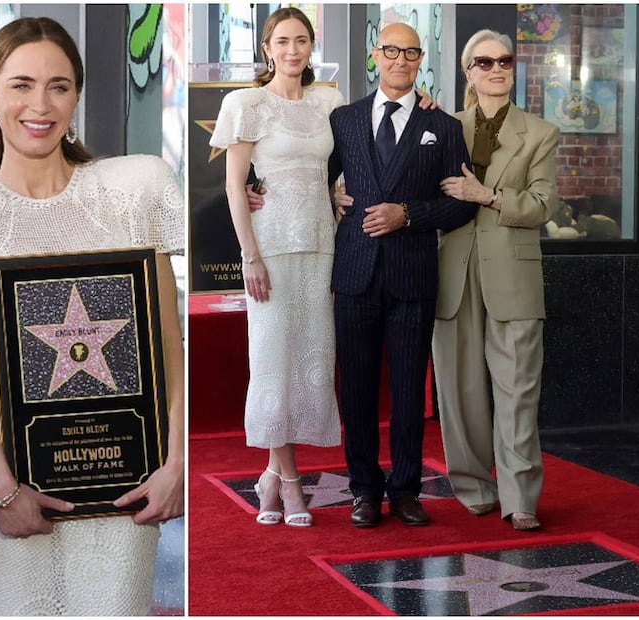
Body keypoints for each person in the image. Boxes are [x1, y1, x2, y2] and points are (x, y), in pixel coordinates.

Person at [0, 17, 184, 616]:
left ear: (76, 95)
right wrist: (3, 489)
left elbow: (168, 349)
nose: (41, 104)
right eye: (21, 85)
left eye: (59, 86)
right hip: (5, 491)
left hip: (123, 491)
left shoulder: (133, 193)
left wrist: (177, 464)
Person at [328, 23, 476, 528]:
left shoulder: (444, 126)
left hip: (413, 275)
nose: (400, 60)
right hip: (355, 273)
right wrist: (328, 197)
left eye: (410, 52)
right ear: (375, 55)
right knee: (357, 390)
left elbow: (462, 205)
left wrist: (408, 214)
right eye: (391, 50)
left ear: (420, 59)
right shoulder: (344, 119)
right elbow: (315, 178)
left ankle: (407, 490)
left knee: (410, 389)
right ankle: (364, 490)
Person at [210, 7, 343, 528]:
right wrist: (250, 257)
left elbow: (345, 161)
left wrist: (338, 194)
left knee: (311, 361)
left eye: (301, 40)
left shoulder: (328, 101)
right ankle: (289, 482)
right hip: (270, 249)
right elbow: (233, 185)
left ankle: (270, 475)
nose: (292, 50)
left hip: (321, 244)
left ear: (311, 47)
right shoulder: (245, 104)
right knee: (272, 362)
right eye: (282, 41)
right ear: (267, 48)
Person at [433, 29, 559, 531]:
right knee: (459, 387)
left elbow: (544, 205)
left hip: (513, 274)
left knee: (519, 389)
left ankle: (520, 496)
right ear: (469, 73)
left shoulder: (541, 133)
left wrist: (486, 195)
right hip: (453, 270)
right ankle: (473, 486)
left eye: (504, 61)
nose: (496, 69)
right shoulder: (444, 127)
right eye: (484, 63)